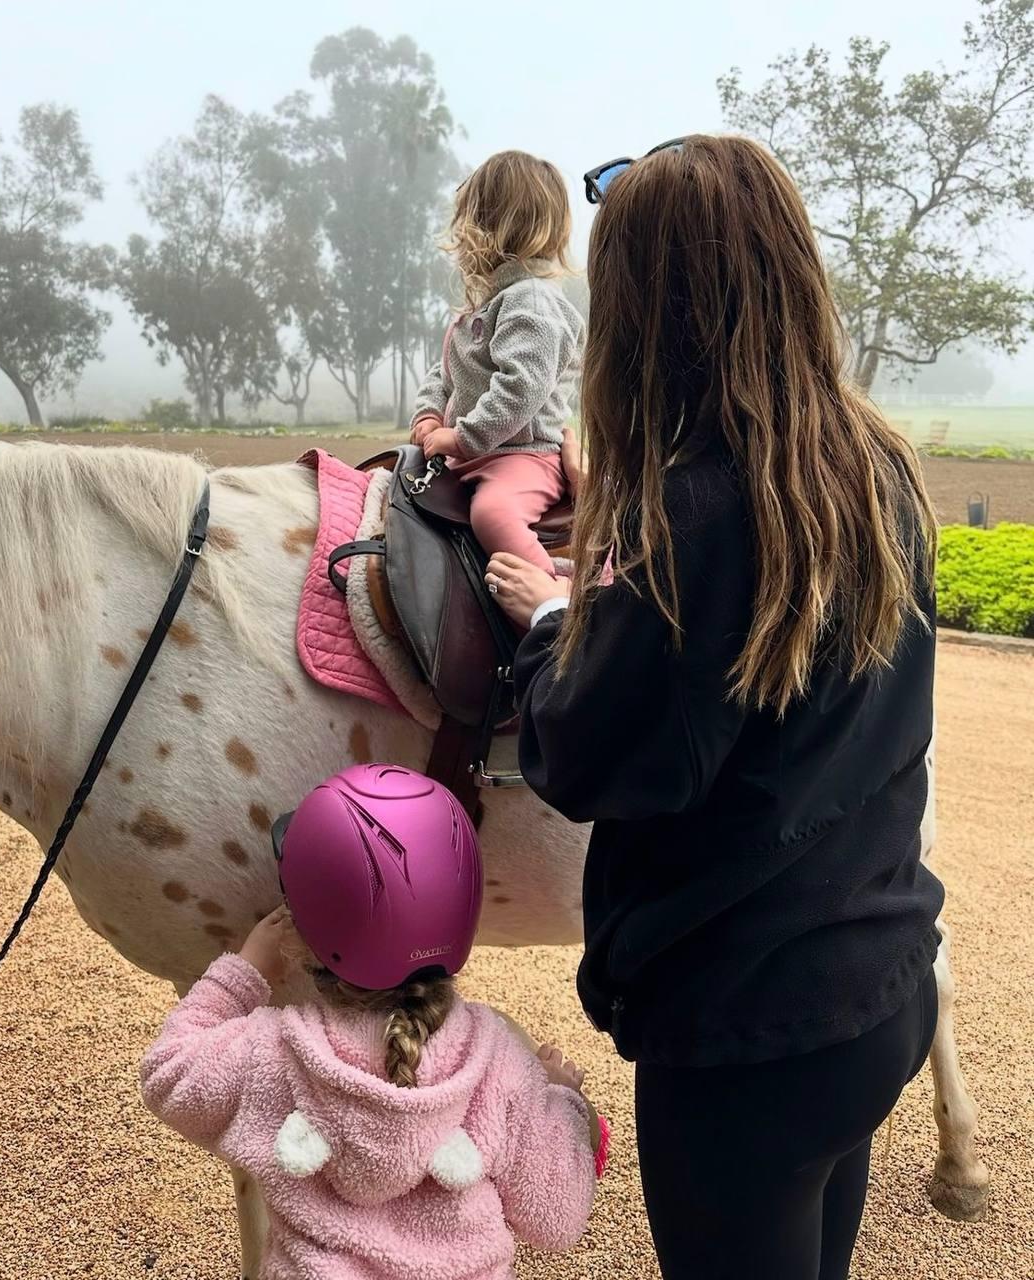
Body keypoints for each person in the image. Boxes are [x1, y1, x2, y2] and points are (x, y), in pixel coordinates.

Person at [484, 135, 943, 1280]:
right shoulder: (872, 464)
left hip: (746, 1040)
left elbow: (591, 756)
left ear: (644, 314)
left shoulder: (692, 518)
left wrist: (550, 616)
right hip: (879, 984)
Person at [141, 764, 604, 1280]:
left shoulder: (279, 1054)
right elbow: (559, 1218)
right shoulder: (500, 1064)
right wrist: (561, 1102)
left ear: (306, 933)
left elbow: (168, 1073)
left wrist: (245, 971)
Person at [410, 150, 585, 581]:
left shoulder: (533, 301)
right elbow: (446, 371)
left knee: (492, 515)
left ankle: (557, 612)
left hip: (522, 455)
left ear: (489, 225)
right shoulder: (482, 308)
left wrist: (462, 437)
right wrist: (429, 415)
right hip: (474, 453)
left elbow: (521, 387)